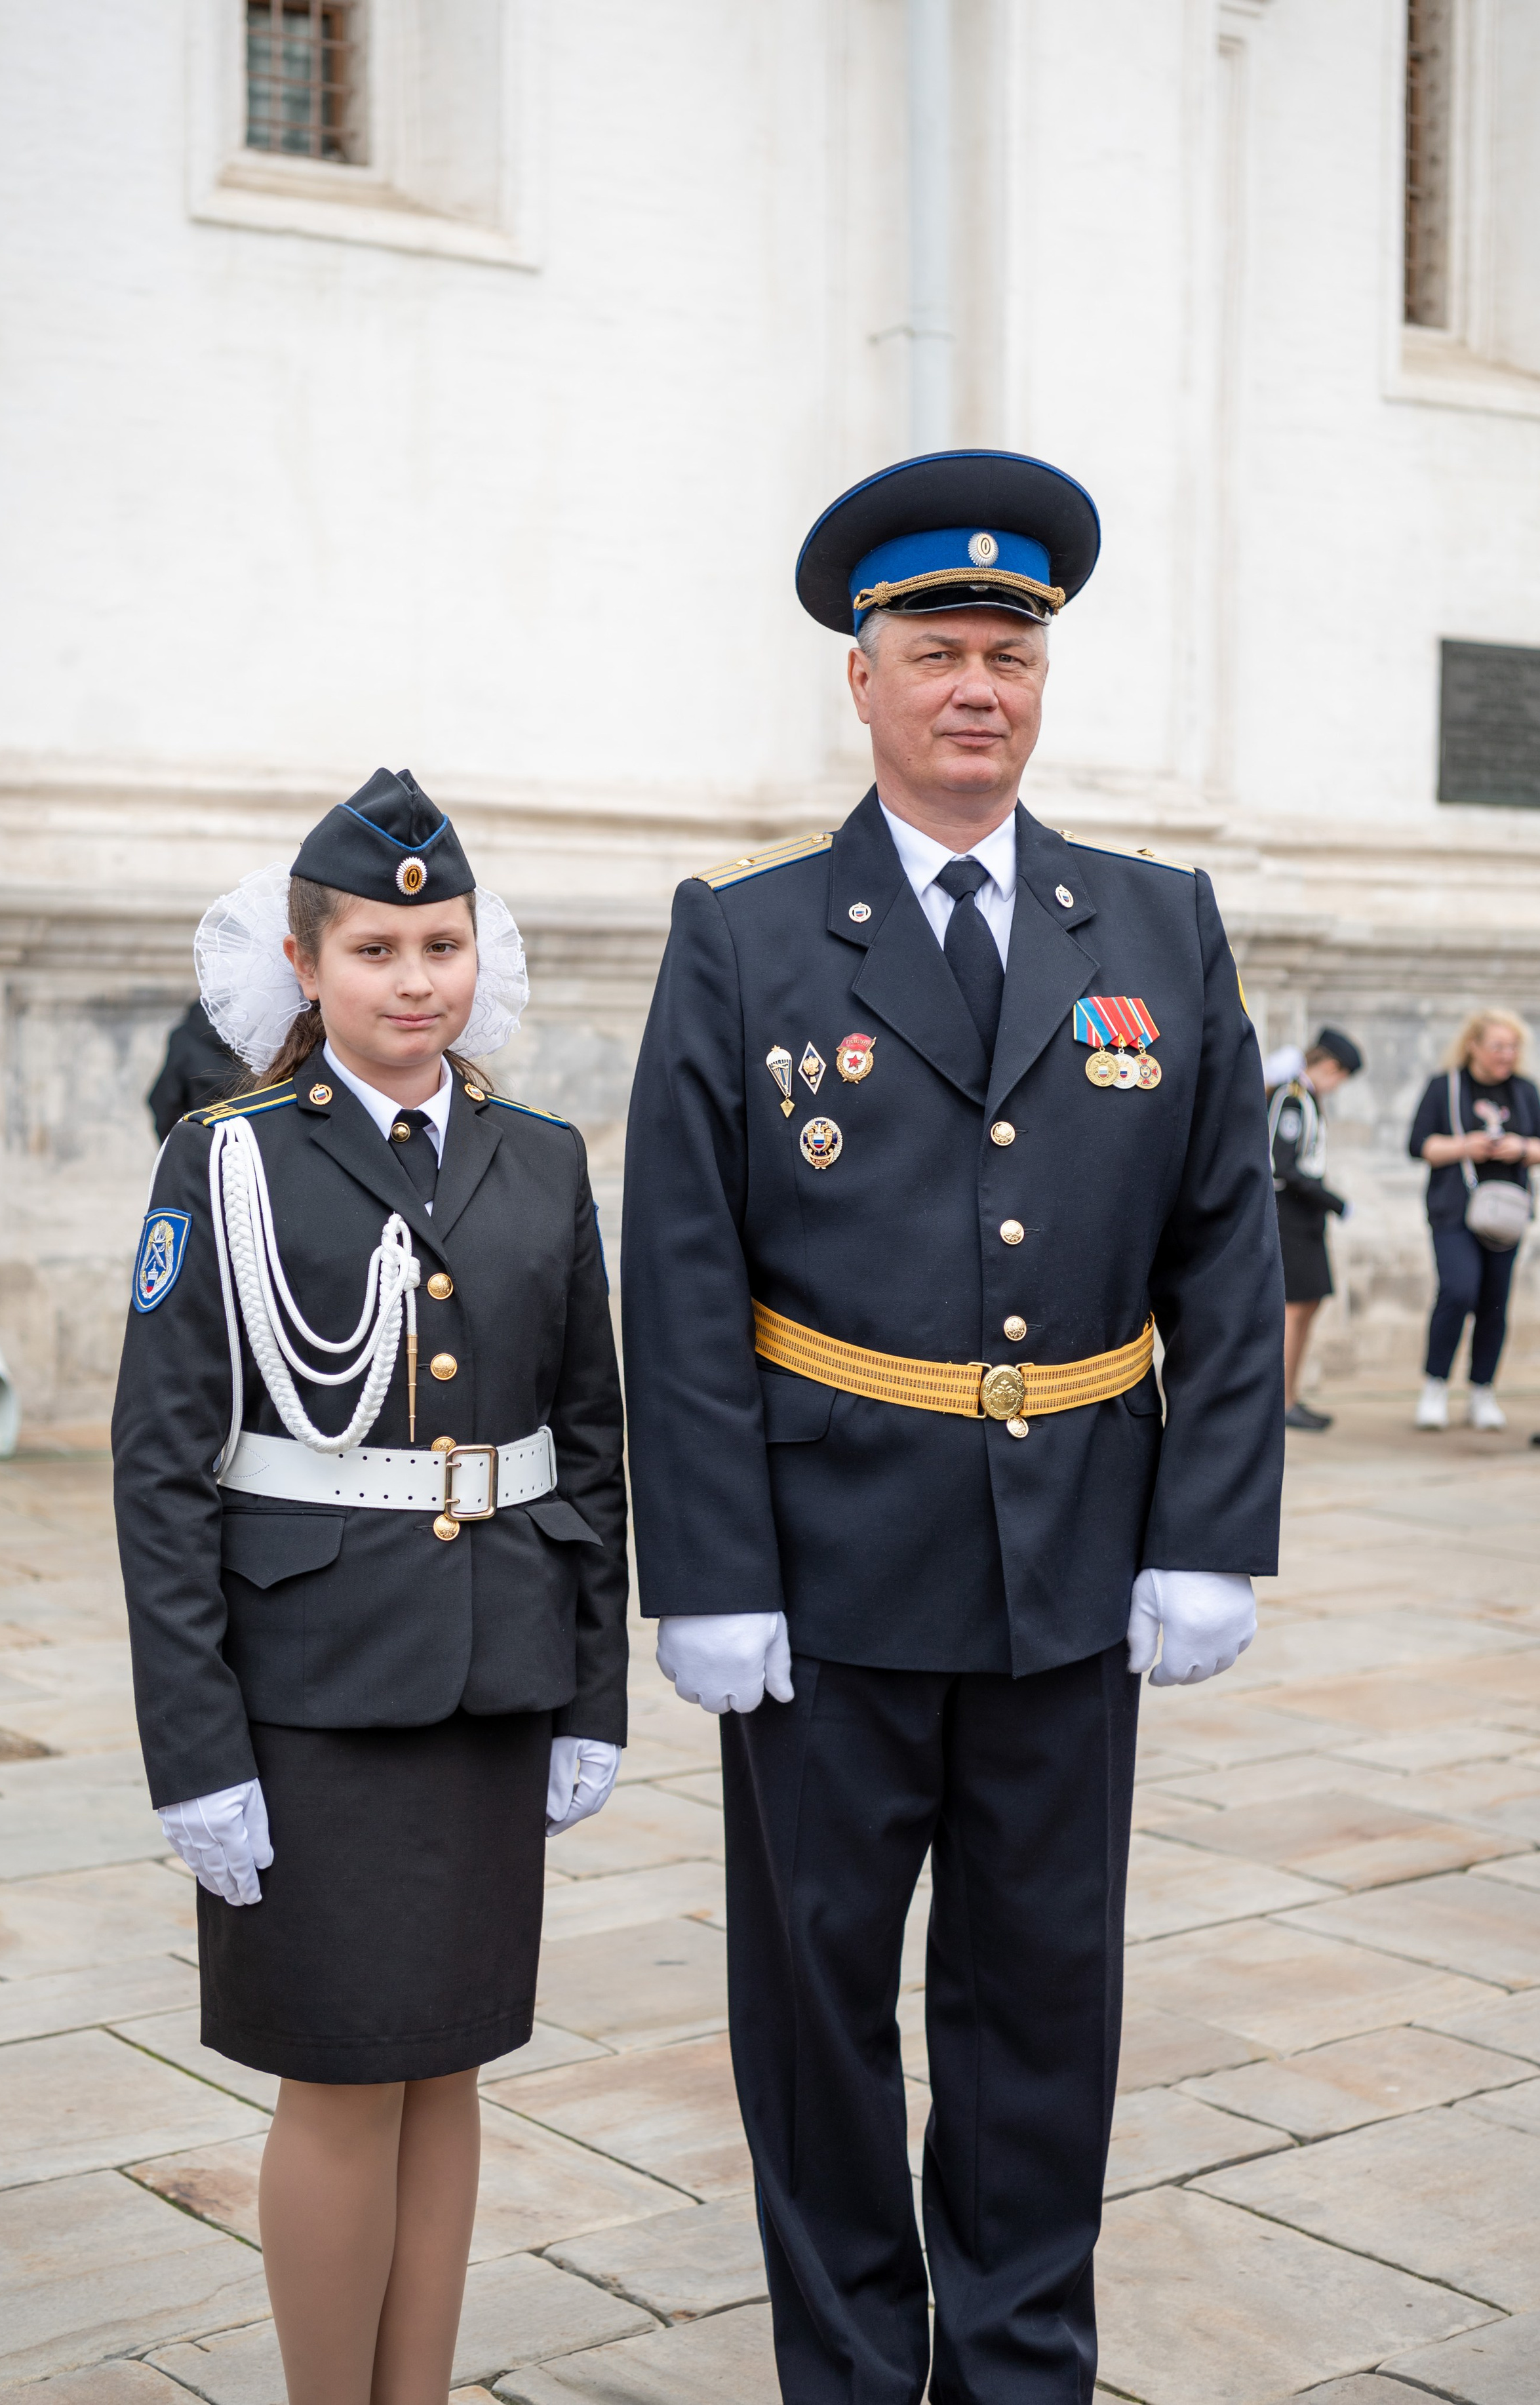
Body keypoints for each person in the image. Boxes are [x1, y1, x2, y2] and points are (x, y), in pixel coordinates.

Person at [620, 451, 1284, 2405]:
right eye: (936, 648)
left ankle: (1017, 2367)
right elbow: (678, 1269)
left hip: (1075, 1564)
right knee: (817, 2009)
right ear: (863, 674)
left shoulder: (1154, 926)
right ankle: (842, 2371)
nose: (976, 682)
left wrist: (1207, 1521)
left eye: (1008, 648)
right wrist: (711, 1568)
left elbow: (1224, 1242)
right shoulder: (744, 936)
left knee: (1039, 2007)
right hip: (824, 1584)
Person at [113, 769, 628, 2405]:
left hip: (494, 1679)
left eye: (443, 943)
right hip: (310, 1698)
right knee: (339, 2078)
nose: (416, 981)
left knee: (452, 2063)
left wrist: (592, 1693)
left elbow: (593, 1444)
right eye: (379, 949)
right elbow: (159, 1475)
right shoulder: (231, 1162)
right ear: (304, 964)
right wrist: (193, 1750)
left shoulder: (540, 1160)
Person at [1409, 1008, 1540, 1431]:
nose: (1508, 1054)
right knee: (1458, 1291)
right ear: (1474, 1046)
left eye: (1514, 1047)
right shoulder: (1444, 1086)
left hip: (1507, 1212)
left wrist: (1520, 1148)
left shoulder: (1523, 1091)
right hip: (1454, 1209)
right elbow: (1419, 1145)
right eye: (1499, 1046)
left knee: (1495, 1302)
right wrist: (1468, 1146)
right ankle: (1435, 1385)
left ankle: (1482, 1390)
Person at [1269, 1027, 1362, 1433]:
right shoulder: (1291, 1098)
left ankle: (1292, 1395)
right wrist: (1335, 1201)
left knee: (1309, 1304)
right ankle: (1280, 1402)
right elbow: (1283, 1166)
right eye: (1341, 1075)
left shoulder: (1306, 1098)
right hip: (1288, 1212)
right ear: (1329, 1066)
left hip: (1306, 1216)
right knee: (1292, 1308)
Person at [147, 997, 243, 1139]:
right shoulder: (268, 1037)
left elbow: (165, 1103)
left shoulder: (185, 1035)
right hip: (262, 1145)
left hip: (205, 1142)